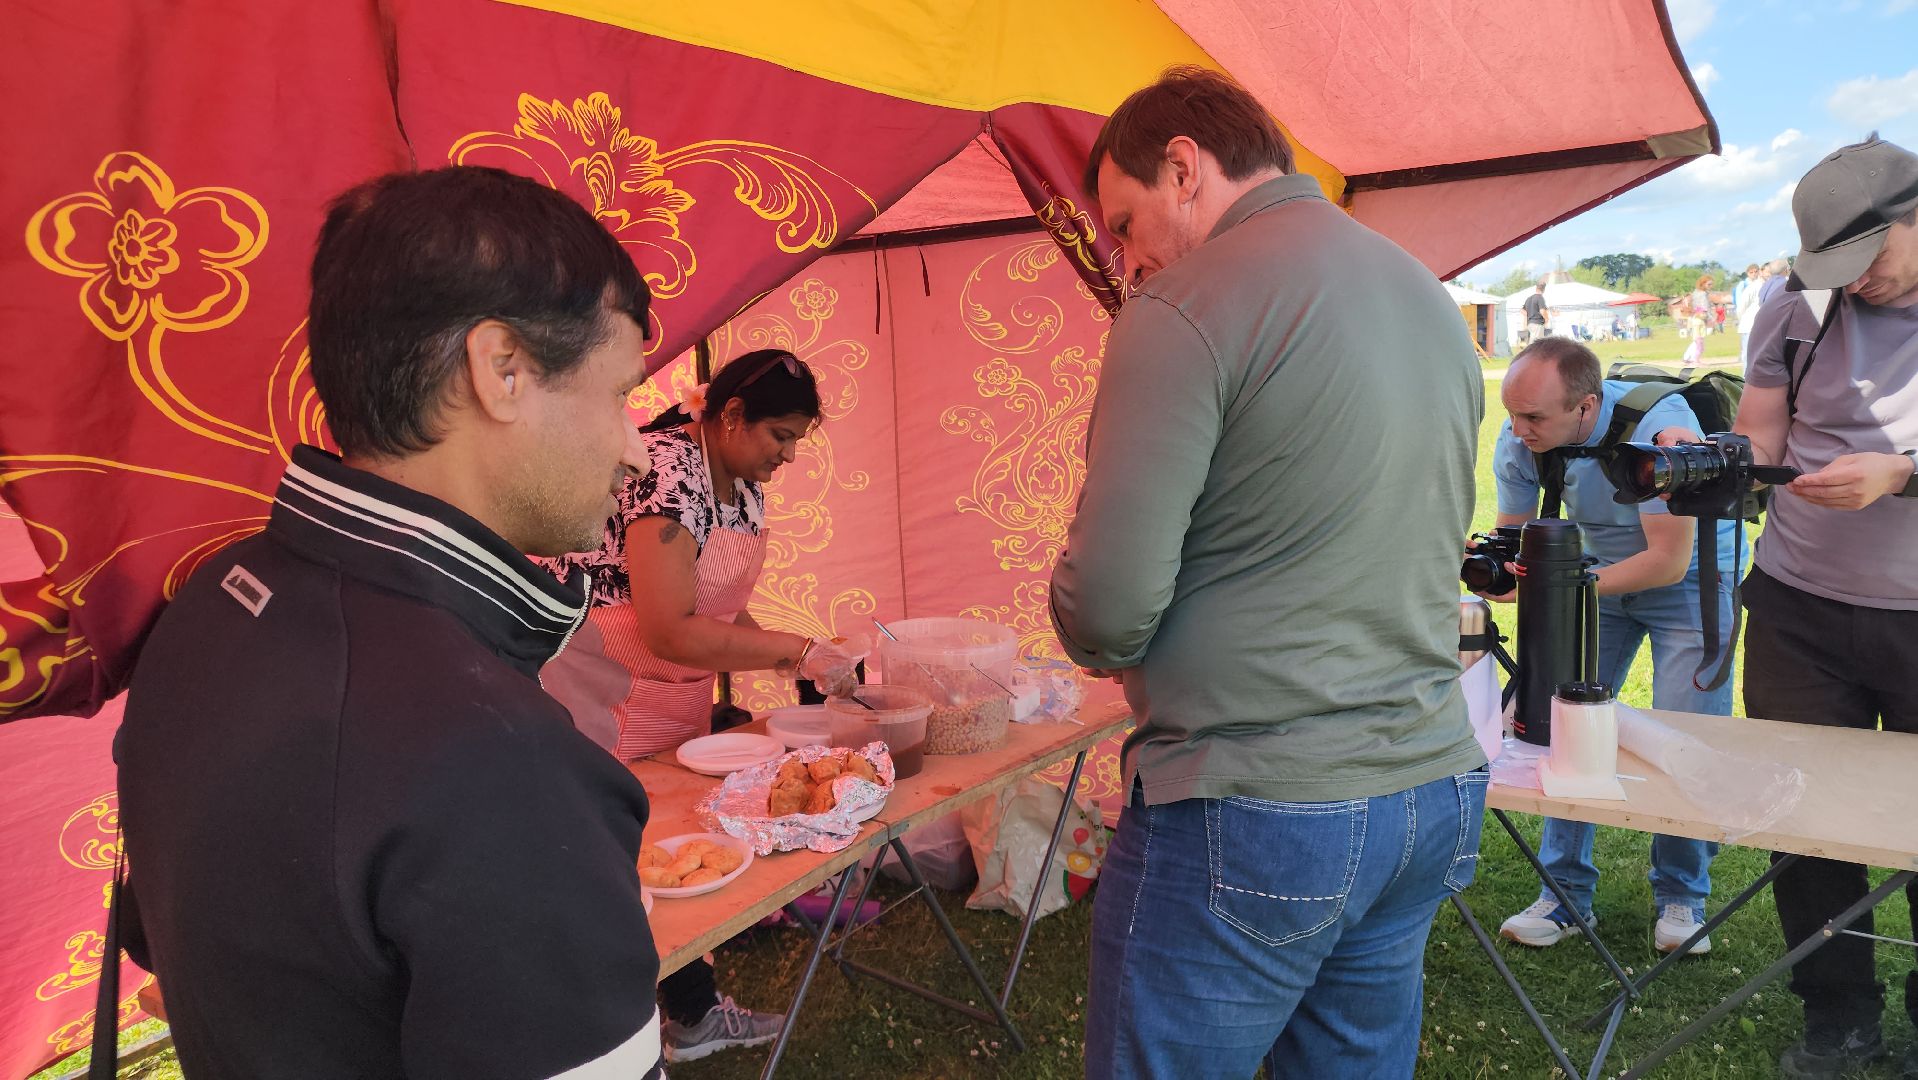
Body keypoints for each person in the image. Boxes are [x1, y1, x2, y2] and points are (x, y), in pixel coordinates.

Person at [114, 167, 664, 1077]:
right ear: (503, 371)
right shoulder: (493, 757)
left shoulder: (213, 600)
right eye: (619, 392)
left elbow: (162, 933)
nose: (635, 448)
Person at [1052, 65, 1488, 1080]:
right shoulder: (1425, 296)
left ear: (1183, 167)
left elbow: (1107, 611)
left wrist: (1070, 591)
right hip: (1427, 779)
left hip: (1257, 797)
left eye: (1124, 224)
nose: (1127, 260)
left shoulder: (1184, 306)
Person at [546, 347, 863, 1062]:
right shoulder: (664, 470)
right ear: (730, 416)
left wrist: (792, 661)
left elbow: (715, 610)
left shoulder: (742, 485)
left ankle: (686, 1015)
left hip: (669, 691)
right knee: (616, 855)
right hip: (597, 688)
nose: (784, 456)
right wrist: (795, 646)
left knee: (669, 846)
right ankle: (615, 1030)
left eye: (795, 443)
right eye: (778, 436)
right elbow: (665, 626)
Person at [1694, 134, 1918, 1080]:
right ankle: (1838, 1016)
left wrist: (1902, 474)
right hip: (1797, 607)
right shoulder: (1794, 303)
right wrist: (1727, 469)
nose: (1854, 283)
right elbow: (1760, 430)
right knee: (1807, 822)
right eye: (1836, 267)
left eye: (1870, 260)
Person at [1479, 338, 1739, 955]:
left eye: (1534, 418)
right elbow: (1515, 542)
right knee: (1565, 728)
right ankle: (1564, 897)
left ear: (1587, 406)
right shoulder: (1521, 442)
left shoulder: (1658, 429)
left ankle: (1682, 897)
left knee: (1681, 731)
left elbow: (1667, 563)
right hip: (1590, 572)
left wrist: (1557, 585)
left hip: (1688, 579)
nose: (1519, 430)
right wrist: (1502, 571)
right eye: (1512, 414)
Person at [1736, 262, 1764, 364]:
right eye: (1751, 272)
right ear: (1748, 273)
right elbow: (1740, 303)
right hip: (1745, 316)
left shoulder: (1761, 283)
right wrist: (1741, 317)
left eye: (1756, 271)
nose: (1754, 274)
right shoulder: (1743, 285)